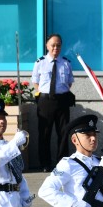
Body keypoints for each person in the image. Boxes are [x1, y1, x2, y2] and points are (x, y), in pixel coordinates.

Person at [30, 33, 75, 169]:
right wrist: (44, 94)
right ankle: (45, 164)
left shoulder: (66, 63)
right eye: (53, 45)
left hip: (62, 100)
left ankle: (62, 163)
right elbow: (35, 82)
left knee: (63, 132)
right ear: (47, 46)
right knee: (44, 133)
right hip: (45, 101)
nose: (56, 48)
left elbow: (69, 82)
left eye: (58, 45)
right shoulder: (40, 63)